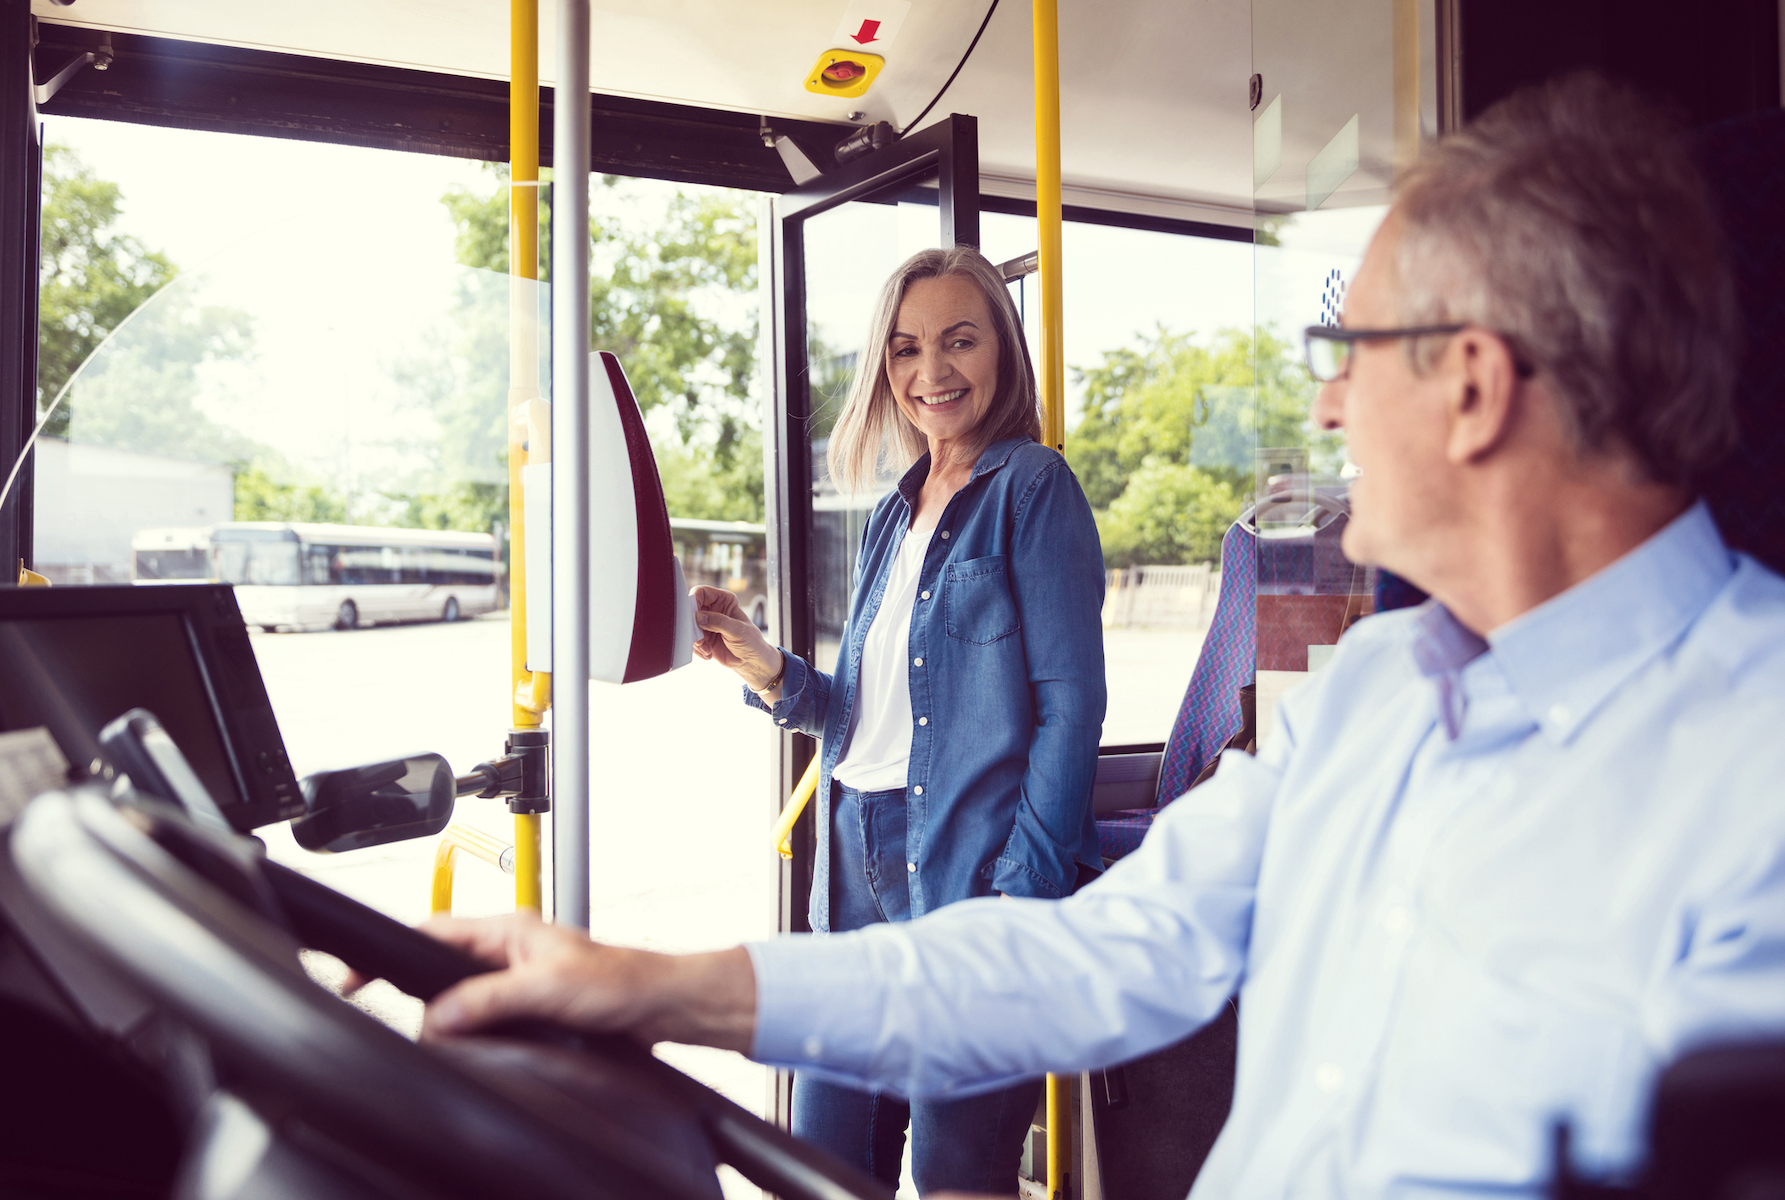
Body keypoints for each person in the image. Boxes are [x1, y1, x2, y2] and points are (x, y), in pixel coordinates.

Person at [416, 75, 1785, 1197]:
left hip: (972, 850)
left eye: (1345, 357)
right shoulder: (1379, 695)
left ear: (1474, 387)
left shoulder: (1753, 769)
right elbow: (1107, 955)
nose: (1324, 418)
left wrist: (1014, 866)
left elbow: (1063, 722)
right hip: (877, 863)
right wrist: (644, 985)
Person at [684, 246, 1107, 1194]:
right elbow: (860, 717)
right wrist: (764, 665)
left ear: (1003, 349)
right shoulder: (893, 510)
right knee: (828, 1165)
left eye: (960, 341)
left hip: (971, 870)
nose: (932, 372)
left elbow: (1072, 707)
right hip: (854, 871)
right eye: (907, 349)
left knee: (957, 1175)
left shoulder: (1034, 488)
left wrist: (1020, 895)